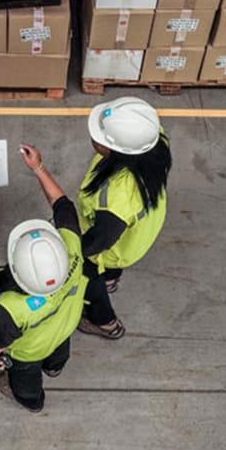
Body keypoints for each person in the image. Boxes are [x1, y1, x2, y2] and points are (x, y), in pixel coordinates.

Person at [0, 146, 89, 412]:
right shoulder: (73, 250)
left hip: (30, 353)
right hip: (65, 326)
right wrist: (38, 167)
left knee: (25, 379)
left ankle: (32, 400)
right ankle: (54, 367)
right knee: (58, 351)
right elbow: (63, 206)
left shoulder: (9, 308)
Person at [72, 96, 171, 339]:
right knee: (110, 269)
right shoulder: (151, 138)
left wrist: (69, 249)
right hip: (138, 234)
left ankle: (105, 321)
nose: (93, 138)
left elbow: (99, 242)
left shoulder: (117, 196)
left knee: (88, 272)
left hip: (113, 249)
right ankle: (110, 280)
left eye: (99, 137)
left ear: (114, 150)